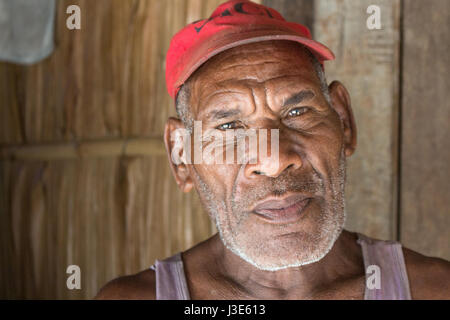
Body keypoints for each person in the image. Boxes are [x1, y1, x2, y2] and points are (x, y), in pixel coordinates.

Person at [96, 0, 449, 300]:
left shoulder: (434, 289)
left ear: (343, 121)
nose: (275, 160)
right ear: (182, 157)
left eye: (297, 112)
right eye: (230, 127)